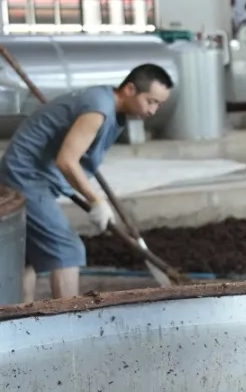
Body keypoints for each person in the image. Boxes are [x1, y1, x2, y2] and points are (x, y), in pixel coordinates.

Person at [0, 64, 174, 302]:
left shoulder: (108, 107)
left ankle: (18, 322)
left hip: (31, 174)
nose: (153, 110)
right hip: (26, 177)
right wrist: (96, 200)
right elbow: (67, 161)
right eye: (151, 101)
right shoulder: (99, 108)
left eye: (159, 105)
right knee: (68, 250)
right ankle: (67, 322)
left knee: (28, 257)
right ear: (130, 89)